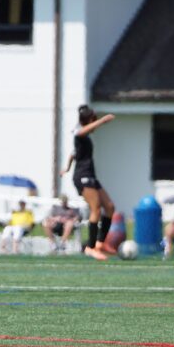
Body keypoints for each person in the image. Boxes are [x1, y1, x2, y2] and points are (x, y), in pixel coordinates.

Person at [61, 104, 117, 260]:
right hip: (82, 176)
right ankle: (90, 248)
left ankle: (100, 243)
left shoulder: (84, 138)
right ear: (89, 120)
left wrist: (66, 168)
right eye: (94, 119)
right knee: (96, 209)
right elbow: (80, 132)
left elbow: (73, 154)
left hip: (91, 176)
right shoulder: (79, 132)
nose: (96, 122)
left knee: (110, 207)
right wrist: (103, 121)